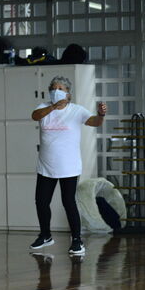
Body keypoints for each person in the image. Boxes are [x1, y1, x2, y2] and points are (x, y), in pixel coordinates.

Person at [29, 76, 106, 255]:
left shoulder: (76, 110)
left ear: (69, 94)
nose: (57, 90)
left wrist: (101, 114)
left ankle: (77, 240)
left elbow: (94, 122)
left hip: (68, 167)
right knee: (41, 201)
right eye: (54, 87)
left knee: (68, 202)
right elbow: (35, 116)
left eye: (61, 88)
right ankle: (45, 235)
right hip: (46, 166)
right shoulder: (43, 108)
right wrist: (53, 107)